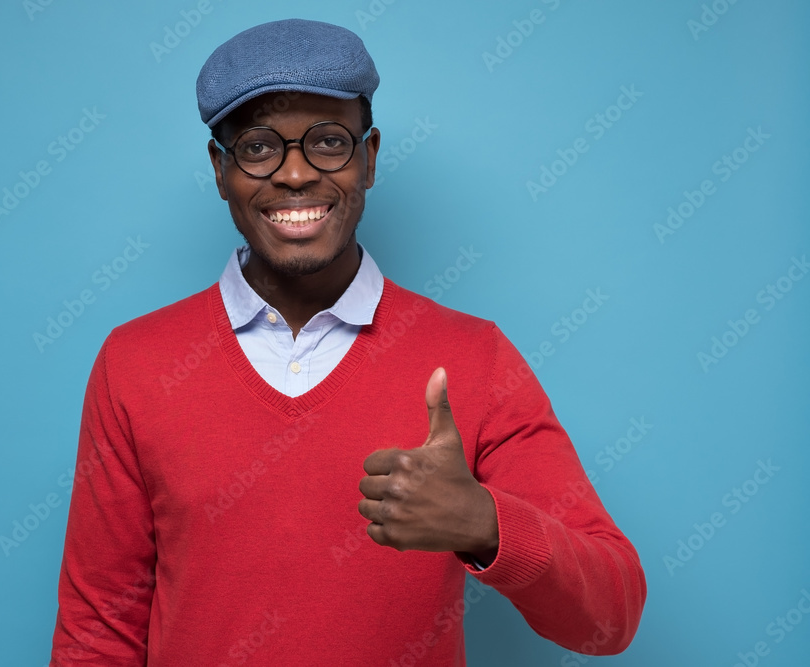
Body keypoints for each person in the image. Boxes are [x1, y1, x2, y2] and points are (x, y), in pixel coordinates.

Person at [50, 18, 646, 666]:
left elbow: (610, 614)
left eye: (329, 141)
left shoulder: (473, 359)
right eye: (258, 147)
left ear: (369, 157)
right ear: (221, 170)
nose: (297, 174)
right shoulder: (136, 364)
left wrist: (486, 522)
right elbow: (95, 635)